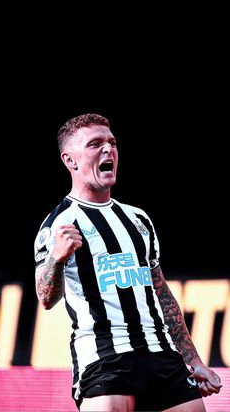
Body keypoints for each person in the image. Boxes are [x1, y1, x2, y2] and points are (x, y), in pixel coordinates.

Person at [34, 113, 222, 412]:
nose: (108, 149)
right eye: (95, 144)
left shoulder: (138, 219)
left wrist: (193, 360)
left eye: (112, 143)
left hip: (161, 353)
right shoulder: (58, 224)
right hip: (105, 357)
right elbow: (46, 298)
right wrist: (57, 258)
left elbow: (161, 293)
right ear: (71, 160)